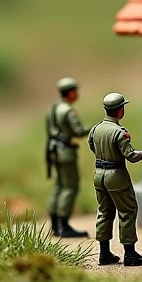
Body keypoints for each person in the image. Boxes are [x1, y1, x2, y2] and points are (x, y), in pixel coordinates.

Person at [88, 92, 142, 266]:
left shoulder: (96, 129)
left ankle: (104, 253)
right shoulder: (120, 132)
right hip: (116, 176)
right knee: (128, 211)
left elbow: (92, 146)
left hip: (98, 174)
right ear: (120, 110)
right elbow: (131, 156)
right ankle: (130, 254)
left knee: (104, 212)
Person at [45, 76, 90, 238]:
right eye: (75, 90)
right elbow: (78, 130)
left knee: (59, 185)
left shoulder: (54, 108)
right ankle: (64, 226)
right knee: (71, 186)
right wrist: (93, 129)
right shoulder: (69, 111)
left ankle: (55, 223)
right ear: (70, 93)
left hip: (53, 150)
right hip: (65, 152)